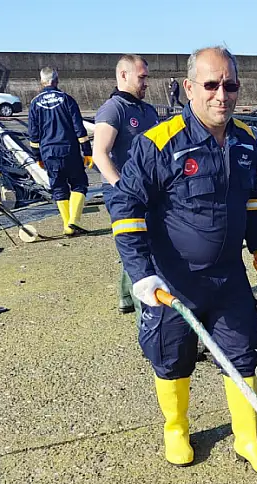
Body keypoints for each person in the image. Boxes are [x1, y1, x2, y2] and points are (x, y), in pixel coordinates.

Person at [108, 46, 257, 477]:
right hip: (172, 282)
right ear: (189, 88)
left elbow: (252, 199)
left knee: (243, 355)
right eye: (211, 84)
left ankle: (247, 438)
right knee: (172, 359)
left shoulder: (246, 141)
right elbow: (126, 208)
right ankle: (177, 428)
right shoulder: (158, 143)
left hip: (229, 280)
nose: (222, 94)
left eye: (230, 85)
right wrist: (140, 274)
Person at [94, 54, 160, 315]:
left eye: (147, 77)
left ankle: (125, 294)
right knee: (137, 243)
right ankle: (144, 311)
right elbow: (100, 153)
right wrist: (121, 188)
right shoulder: (113, 109)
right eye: (141, 77)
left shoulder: (148, 110)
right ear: (123, 75)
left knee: (141, 242)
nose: (146, 83)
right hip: (123, 191)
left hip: (148, 189)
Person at [28, 67, 92, 236]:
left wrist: (37, 156)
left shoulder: (35, 103)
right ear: (56, 81)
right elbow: (79, 127)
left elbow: (34, 134)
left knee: (58, 187)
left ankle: (66, 224)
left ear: (42, 82)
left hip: (48, 152)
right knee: (79, 183)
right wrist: (87, 151)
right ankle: (73, 222)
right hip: (69, 149)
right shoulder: (67, 99)